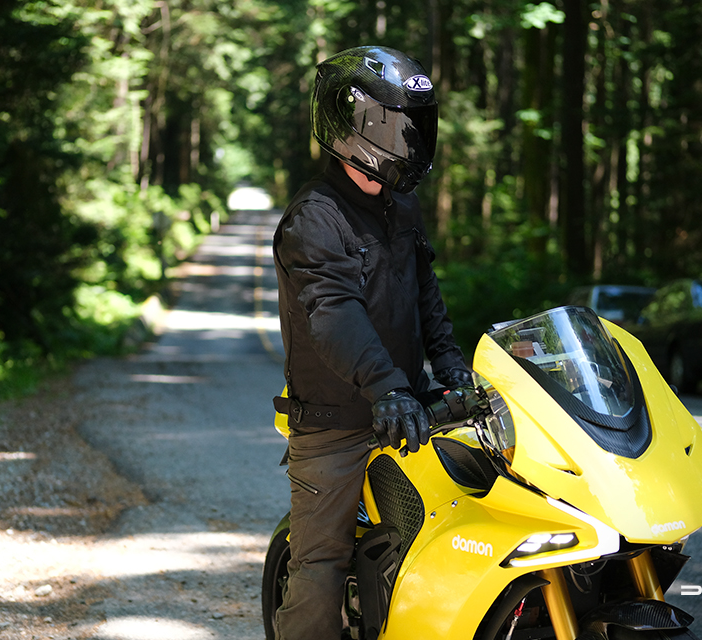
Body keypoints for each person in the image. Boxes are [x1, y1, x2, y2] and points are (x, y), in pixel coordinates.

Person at [271, 45, 473, 640]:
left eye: (415, 127)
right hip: (336, 421)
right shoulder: (314, 219)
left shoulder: (402, 207)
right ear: (353, 126)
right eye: (395, 126)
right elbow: (334, 314)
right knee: (319, 565)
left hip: (408, 409)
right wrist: (388, 387)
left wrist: (453, 367)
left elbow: (424, 295)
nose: (409, 140)